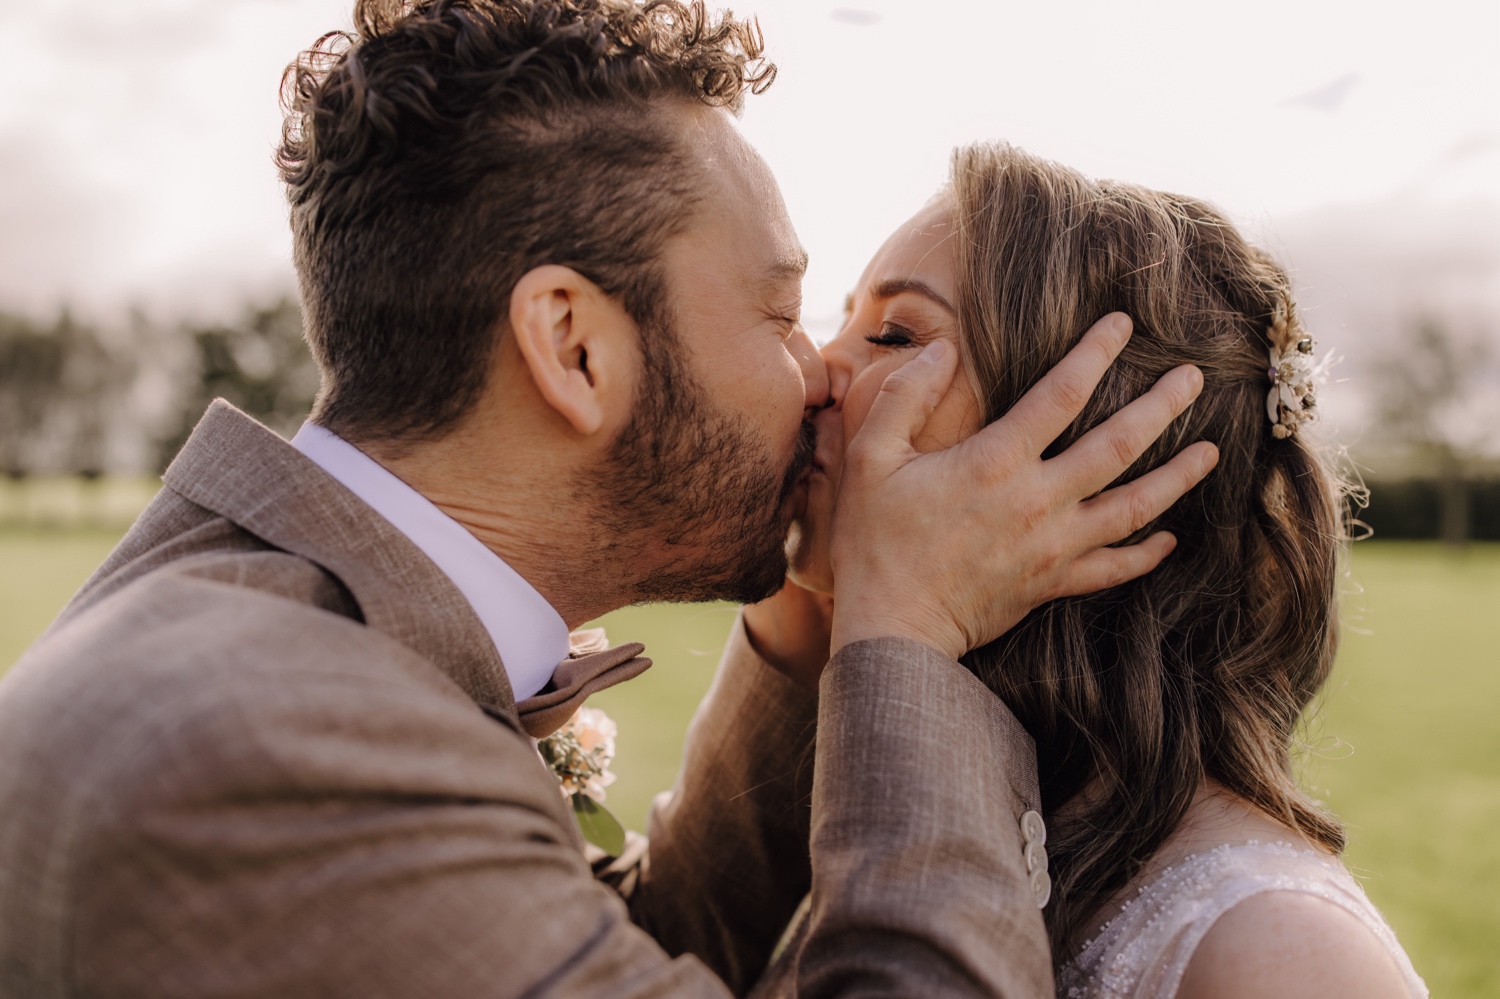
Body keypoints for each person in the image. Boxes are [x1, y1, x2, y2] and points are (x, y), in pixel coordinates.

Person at [0, 3, 1219, 997]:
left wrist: (807, 640)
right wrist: (906, 640)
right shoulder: (288, 741)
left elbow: (576, 952)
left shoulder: (276, 618)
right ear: (574, 348)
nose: (819, 379)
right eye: (783, 314)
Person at [768, 142, 1428, 998]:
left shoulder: (1275, 950)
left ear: (1090, 449)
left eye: (894, 332)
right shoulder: (915, 787)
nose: (815, 369)